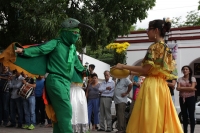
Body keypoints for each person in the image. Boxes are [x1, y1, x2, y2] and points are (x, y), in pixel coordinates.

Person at [14, 18, 94, 133]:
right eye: (74, 32)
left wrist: (85, 71)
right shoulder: (56, 42)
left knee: (58, 115)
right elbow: (41, 50)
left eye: (78, 33)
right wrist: (24, 51)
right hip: (55, 80)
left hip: (66, 83)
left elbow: (77, 65)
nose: (76, 35)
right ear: (66, 32)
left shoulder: (72, 48)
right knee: (66, 111)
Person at [113, 19, 183, 133]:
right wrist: (129, 72)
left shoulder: (154, 47)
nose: (147, 32)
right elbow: (149, 71)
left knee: (149, 116)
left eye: (148, 29)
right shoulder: (166, 48)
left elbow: (146, 69)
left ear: (156, 30)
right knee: (160, 117)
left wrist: (124, 67)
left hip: (152, 87)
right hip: (162, 86)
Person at [70, 55, 88, 133]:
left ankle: (81, 130)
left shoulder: (82, 70)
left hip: (80, 92)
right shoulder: (69, 68)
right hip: (72, 91)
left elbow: (86, 73)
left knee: (82, 111)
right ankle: (72, 129)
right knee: (73, 110)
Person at [177, 66, 196, 133]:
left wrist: (181, 88)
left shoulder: (193, 78)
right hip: (182, 98)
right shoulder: (179, 79)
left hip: (191, 98)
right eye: (184, 69)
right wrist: (190, 88)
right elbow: (177, 88)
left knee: (191, 116)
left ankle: (192, 131)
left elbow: (192, 88)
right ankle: (185, 131)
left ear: (189, 71)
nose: (185, 70)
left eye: (186, 69)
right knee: (184, 116)